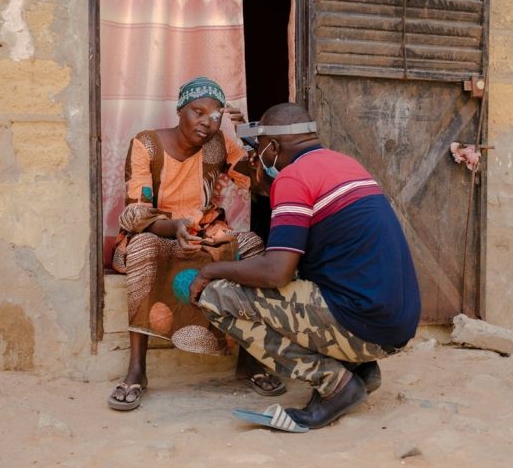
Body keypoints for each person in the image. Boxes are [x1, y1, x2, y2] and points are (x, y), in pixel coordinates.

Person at [188, 102, 421, 430]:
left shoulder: (294, 177)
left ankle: (336, 385)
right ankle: (359, 369)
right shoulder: (343, 163)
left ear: (272, 147)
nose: (257, 159)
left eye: (259, 150)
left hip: (363, 322)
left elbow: (275, 272)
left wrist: (210, 270)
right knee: (303, 279)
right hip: (394, 324)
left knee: (217, 295)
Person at [108, 77, 286, 411]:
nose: (207, 121)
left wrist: (246, 133)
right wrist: (173, 226)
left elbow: (258, 181)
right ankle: (136, 370)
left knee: (251, 246)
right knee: (143, 248)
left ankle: (249, 359)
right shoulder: (146, 144)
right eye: (197, 111)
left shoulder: (218, 144)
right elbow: (134, 212)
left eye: (215, 115)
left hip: (204, 235)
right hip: (159, 233)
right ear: (180, 110)